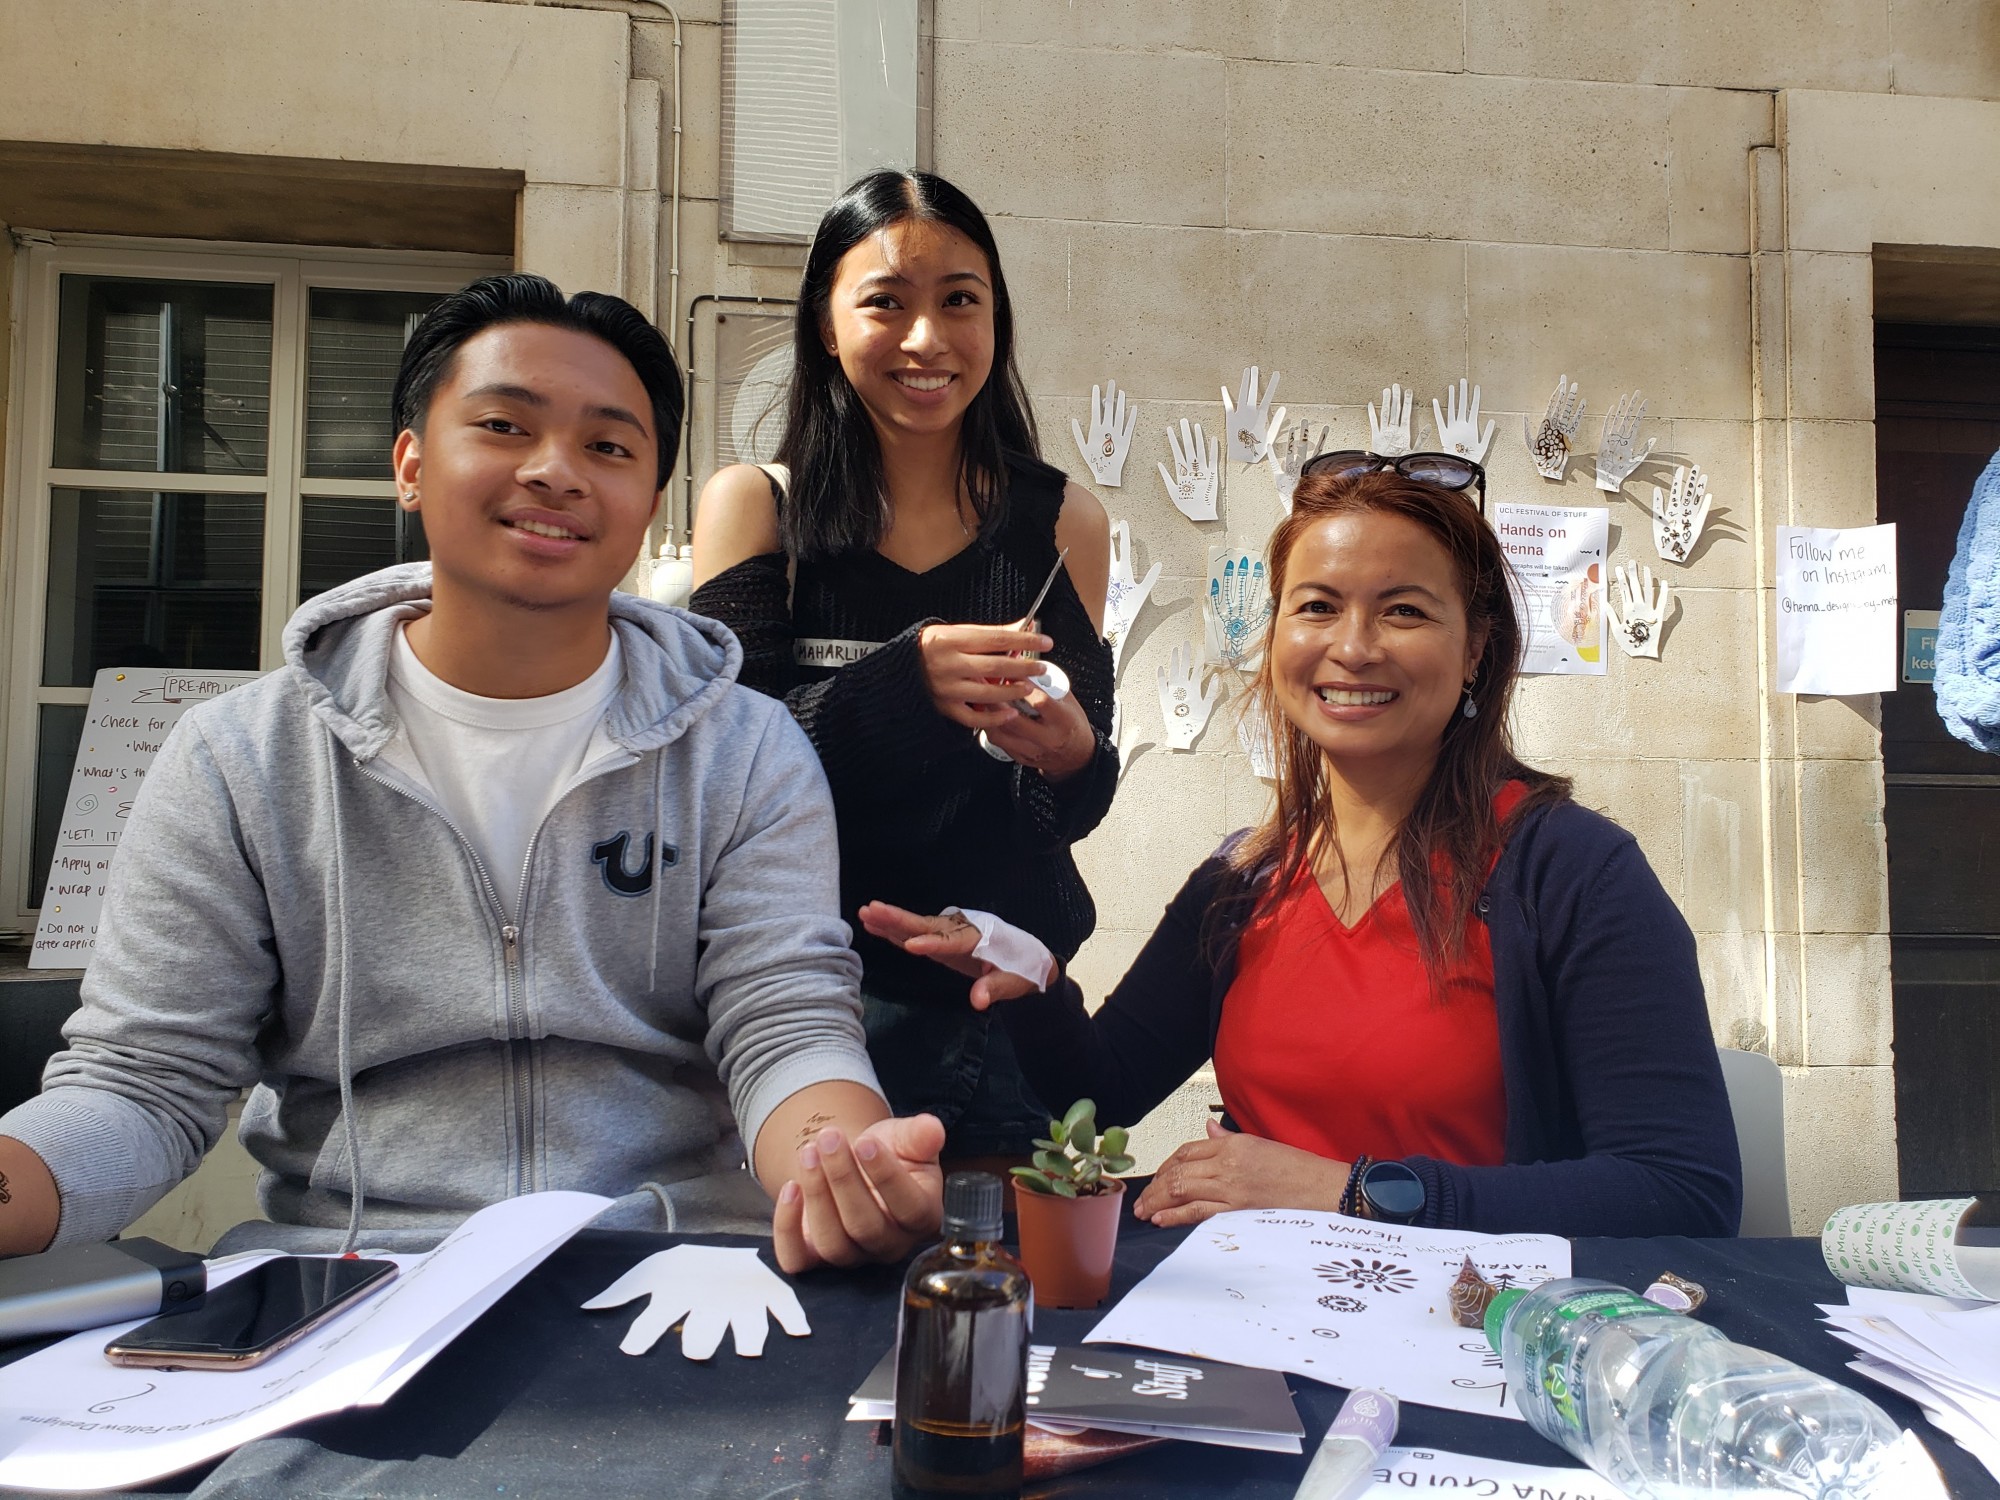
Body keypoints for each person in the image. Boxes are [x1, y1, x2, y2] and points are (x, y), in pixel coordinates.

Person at [0, 274, 943, 1273]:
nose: (555, 472)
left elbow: (783, 1017)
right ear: (410, 462)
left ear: (648, 502)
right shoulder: (239, 758)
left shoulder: (745, 750)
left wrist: (836, 1163)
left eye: (608, 447)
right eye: (502, 425)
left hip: (667, 1277)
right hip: (347, 1286)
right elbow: (145, 1080)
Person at [863, 455, 1744, 1239]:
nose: (1352, 648)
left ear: (1476, 646)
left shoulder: (1572, 872)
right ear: (1277, 635)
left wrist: (1348, 1191)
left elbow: (1681, 1190)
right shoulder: (1243, 877)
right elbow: (1103, 1093)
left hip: (1481, 1345)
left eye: (1403, 610)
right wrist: (1032, 984)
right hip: (1260, 1329)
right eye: (1317, 607)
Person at [690, 169, 1115, 1162]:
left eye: (959, 301)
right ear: (827, 325)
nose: (926, 339)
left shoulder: (1059, 523)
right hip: (810, 1024)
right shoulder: (758, 507)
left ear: (995, 320)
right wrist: (902, 685)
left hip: (1002, 1011)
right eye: (885, 301)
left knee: (1015, 1310)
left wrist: (1069, 754)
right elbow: (723, 772)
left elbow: (1072, 811)